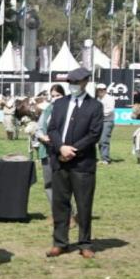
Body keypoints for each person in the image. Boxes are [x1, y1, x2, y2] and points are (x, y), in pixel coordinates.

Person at [45, 67, 104, 259]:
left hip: (82, 164)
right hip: (59, 161)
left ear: (85, 82)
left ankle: (85, 243)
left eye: (76, 83)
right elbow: (52, 128)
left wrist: (73, 150)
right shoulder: (60, 104)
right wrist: (61, 147)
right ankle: (60, 242)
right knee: (60, 204)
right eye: (69, 83)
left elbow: (94, 134)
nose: (72, 86)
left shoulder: (94, 106)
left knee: (84, 204)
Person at [35, 85, 66, 204]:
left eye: (58, 95)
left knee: (63, 184)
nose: (55, 98)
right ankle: (56, 212)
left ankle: (70, 214)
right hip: (46, 150)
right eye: (53, 96)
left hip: (61, 152)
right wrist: (42, 136)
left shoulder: (69, 109)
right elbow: (39, 127)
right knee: (49, 183)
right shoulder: (48, 109)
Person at [96, 83, 116, 165]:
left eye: (102, 89)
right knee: (99, 140)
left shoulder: (110, 98)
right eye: (99, 90)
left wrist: (99, 113)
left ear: (105, 90)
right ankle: (102, 157)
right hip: (98, 121)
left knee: (104, 140)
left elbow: (110, 110)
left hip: (107, 121)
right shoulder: (97, 99)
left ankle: (106, 159)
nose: (100, 91)